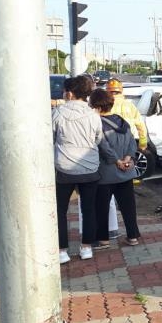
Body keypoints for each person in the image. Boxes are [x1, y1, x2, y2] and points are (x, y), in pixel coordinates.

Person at [53, 75, 120, 263]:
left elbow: (49, 138)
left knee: (60, 211)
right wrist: (115, 160)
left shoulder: (58, 113)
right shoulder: (93, 115)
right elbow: (100, 142)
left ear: (70, 93)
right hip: (90, 169)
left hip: (64, 169)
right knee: (88, 209)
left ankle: (62, 251)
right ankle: (86, 248)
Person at [89, 89, 142, 248]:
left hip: (106, 173)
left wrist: (116, 161)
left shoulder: (97, 122)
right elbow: (132, 141)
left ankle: (103, 240)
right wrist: (128, 158)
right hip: (126, 172)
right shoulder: (121, 120)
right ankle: (133, 237)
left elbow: (103, 145)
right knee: (128, 207)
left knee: (101, 208)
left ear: (96, 106)